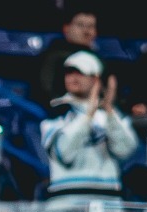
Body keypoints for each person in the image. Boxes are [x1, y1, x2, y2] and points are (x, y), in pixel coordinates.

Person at [39, 52, 137, 200]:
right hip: (66, 201)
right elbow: (63, 153)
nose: (73, 78)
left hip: (108, 200)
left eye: (80, 73)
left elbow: (125, 150)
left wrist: (109, 111)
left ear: (96, 79)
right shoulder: (55, 112)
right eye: (69, 73)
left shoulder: (112, 116)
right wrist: (88, 116)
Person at [35, 11, 98, 107]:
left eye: (91, 26)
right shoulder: (53, 57)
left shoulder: (98, 60)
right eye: (80, 25)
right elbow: (47, 93)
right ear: (66, 28)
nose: (86, 32)